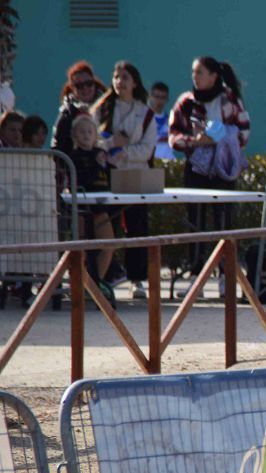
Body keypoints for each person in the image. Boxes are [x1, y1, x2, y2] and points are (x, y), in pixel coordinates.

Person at [169, 56, 250, 299]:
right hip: (196, 169)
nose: (195, 76)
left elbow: (244, 132)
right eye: (194, 72)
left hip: (223, 169)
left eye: (200, 72)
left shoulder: (231, 100)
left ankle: (226, 277)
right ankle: (197, 277)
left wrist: (222, 138)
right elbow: (173, 135)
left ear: (214, 75)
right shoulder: (185, 102)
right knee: (196, 223)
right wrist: (195, 142)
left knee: (224, 222)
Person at [92, 61, 157, 300]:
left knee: (137, 225)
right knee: (107, 225)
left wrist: (125, 151)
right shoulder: (102, 108)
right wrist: (111, 145)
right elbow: (91, 139)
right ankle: (106, 275)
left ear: (135, 82)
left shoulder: (146, 112)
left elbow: (148, 148)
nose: (120, 81)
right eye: (116, 76)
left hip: (136, 175)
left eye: (125, 77)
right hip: (108, 174)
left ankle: (137, 278)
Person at [68, 115, 117, 307]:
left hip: (100, 208)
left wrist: (109, 163)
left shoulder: (101, 154)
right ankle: (81, 283)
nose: (87, 135)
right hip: (81, 209)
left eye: (90, 131)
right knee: (81, 249)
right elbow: (81, 181)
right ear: (75, 135)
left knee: (108, 245)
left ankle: (94, 284)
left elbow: (110, 177)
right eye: (82, 132)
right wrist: (96, 163)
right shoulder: (74, 157)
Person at [51, 61, 106, 156]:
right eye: (79, 86)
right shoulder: (67, 112)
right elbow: (57, 144)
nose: (85, 88)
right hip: (75, 165)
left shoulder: (107, 106)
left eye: (89, 83)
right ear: (72, 89)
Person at [148, 81, 175, 161]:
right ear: (150, 97)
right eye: (156, 96)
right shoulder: (143, 119)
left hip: (168, 162)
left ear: (167, 99)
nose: (159, 100)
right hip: (149, 163)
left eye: (163, 97)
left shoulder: (172, 120)